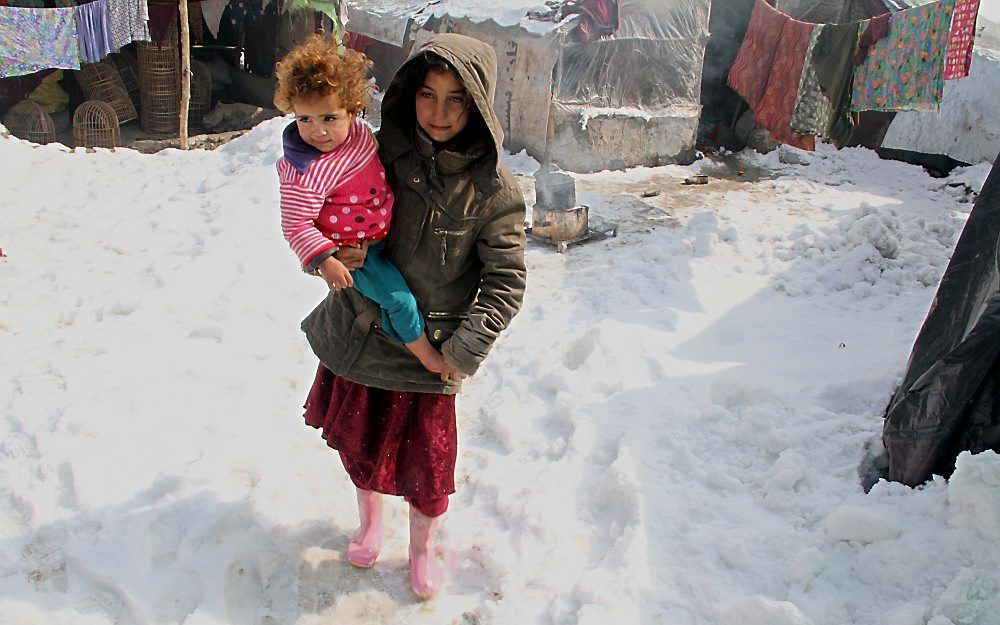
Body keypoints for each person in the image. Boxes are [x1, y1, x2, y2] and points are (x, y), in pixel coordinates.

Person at [296, 33, 527, 600]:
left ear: (479, 106)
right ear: (409, 94)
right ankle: (370, 522)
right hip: (362, 334)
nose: (439, 112)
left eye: (456, 99)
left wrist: (461, 353)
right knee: (360, 447)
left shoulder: (495, 190)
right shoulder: (373, 154)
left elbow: (505, 283)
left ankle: (421, 546)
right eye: (427, 94)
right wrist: (332, 255)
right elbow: (314, 213)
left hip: (431, 357)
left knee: (429, 473)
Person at [274, 35, 445, 374]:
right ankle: (427, 356)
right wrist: (325, 261)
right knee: (401, 302)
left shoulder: (361, 136)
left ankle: (391, 330)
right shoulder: (304, 169)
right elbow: (295, 224)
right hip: (354, 254)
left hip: (385, 234)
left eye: (328, 118)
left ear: (352, 109)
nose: (317, 131)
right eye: (304, 119)